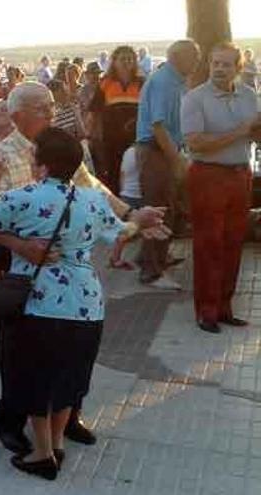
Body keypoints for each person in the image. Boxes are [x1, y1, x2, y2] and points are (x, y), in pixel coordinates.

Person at [0, 81, 168, 456]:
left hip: (60, 272)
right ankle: (11, 421)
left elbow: (93, 188)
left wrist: (130, 213)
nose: (52, 113)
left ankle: (67, 418)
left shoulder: (61, 150)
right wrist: (23, 246)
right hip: (19, 265)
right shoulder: (3, 154)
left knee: (68, 351)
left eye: (51, 105)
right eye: (42, 107)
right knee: (16, 352)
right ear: (18, 115)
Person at [0, 127, 132, 481]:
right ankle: (59, 443)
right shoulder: (92, 199)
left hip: (38, 303)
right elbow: (120, 232)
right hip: (86, 304)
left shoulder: (25, 196)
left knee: (33, 377)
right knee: (68, 377)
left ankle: (43, 453)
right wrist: (143, 221)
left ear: (41, 163)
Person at [182, 42, 261, 334]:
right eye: (216, 63)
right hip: (207, 176)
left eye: (226, 64)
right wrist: (240, 132)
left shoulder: (250, 96)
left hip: (241, 175)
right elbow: (196, 142)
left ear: (238, 68)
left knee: (233, 242)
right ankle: (206, 311)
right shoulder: (195, 98)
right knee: (208, 243)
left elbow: (255, 134)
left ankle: (225, 307)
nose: (219, 69)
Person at [135, 40, 200, 290]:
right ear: (178, 57)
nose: (197, 62)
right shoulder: (164, 82)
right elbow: (158, 125)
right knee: (158, 209)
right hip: (156, 150)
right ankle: (152, 271)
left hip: (165, 149)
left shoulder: (177, 81)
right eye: (194, 56)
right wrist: (177, 160)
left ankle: (153, 256)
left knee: (167, 206)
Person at [88, 45, 144, 194]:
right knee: (114, 176)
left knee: (137, 178)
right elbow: (95, 112)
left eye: (130, 59)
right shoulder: (106, 83)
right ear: (114, 62)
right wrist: (93, 136)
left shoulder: (142, 83)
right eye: (122, 59)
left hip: (136, 140)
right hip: (111, 140)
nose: (127, 62)